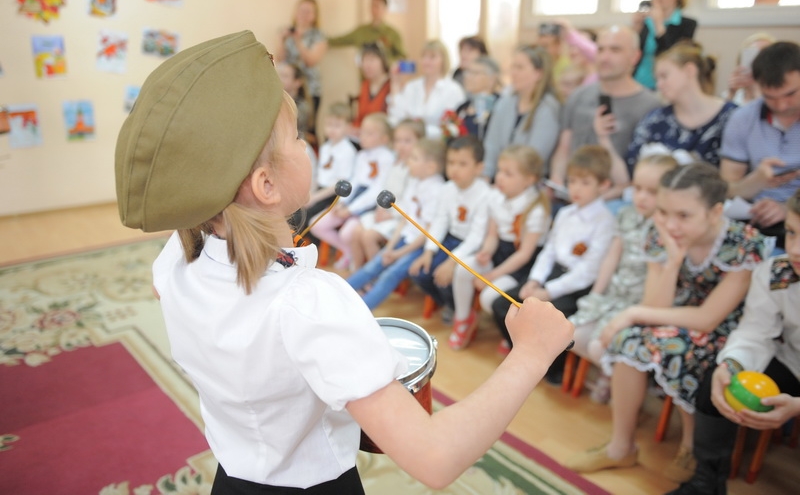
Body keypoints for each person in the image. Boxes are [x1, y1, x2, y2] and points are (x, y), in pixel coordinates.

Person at [116, 30, 575, 493]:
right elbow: (435, 458)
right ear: (266, 186)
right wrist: (531, 354)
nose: (306, 144)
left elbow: (190, 284)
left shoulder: (179, 255)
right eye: (296, 137)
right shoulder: (308, 302)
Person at [565, 163, 770, 484]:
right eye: (663, 212)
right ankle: (621, 446)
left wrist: (631, 314)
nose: (670, 224)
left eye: (684, 216)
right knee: (628, 340)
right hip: (670, 318)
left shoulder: (743, 243)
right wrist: (673, 262)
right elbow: (655, 306)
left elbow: (708, 319)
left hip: (728, 333)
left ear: (715, 212)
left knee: (680, 347)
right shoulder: (658, 234)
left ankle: (691, 447)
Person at [667, 189, 800, 495]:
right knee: (716, 380)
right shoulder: (775, 273)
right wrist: (730, 365)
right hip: (794, 363)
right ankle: (706, 483)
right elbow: (756, 332)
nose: (795, 249)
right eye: (791, 233)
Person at [492, 145, 615, 378]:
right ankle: (524, 354)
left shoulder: (604, 221)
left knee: (549, 321)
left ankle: (551, 369)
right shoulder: (565, 213)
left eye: (585, 182)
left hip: (576, 286)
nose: (575, 188)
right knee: (502, 306)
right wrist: (535, 280)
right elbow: (548, 252)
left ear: (604, 185)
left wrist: (548, 291)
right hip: (550, 276)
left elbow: (587, 272)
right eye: (572, 181)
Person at [570, 154, 679, 403]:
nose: (641, 197)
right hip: (614, 294)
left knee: (600, 345)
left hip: (639, 303)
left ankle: (614, 378)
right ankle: (608, 372)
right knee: (571, 333)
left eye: (652, 192)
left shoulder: (667, 230)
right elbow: (612, 256)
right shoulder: (627, 215)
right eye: (638, 188)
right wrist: (597, 293)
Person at [449, 145, 551, 351]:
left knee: (489, 297)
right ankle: (463, 318)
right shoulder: (496, 197)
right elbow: (493, 235)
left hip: (519, 266)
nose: (500, 178)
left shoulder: (536, 209)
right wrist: (486, 250)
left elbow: (524, 254)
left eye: (508, 174)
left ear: (529, 179)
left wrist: (492, 275)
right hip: (499, 254)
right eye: (499, 171)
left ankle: (511, 335)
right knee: (463, 269)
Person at [549, 25, 662, 200]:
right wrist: (557, 180)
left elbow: (647, 171)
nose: (604, 57)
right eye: (600, 50)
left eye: (615, 50)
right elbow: (564, 146)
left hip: (616, 202)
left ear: (635, 56)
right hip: (571, 197)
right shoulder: (579, 95)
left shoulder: (650, 106)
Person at [347, 138, 446, 309]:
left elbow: (426, 233)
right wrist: (390, 248)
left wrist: (397, 254)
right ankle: (338, 293)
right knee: (372, 266)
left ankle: (358, 311)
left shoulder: (438, 189)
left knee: (389, 275)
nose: (409, 161)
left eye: (415, 158)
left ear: (431, 167)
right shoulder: (414, 181)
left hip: (418, 246)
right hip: (405, 238)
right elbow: (404, 219)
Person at [719, 41, 800, 250]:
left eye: (790, 94)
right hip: (757, 221)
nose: (782, 106)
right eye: (770, 98)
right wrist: (757, 180)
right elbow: (728, 188)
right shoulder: (743, 118)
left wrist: (787, 209)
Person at [408, 135, 491, 322]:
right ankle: (445, 302)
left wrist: (452, 262)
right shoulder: (447, 188)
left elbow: (477, 237)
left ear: (479, 168)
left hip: (470, 247)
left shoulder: (485, 194)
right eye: (451, 162)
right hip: (450, 240)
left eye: (463, 164)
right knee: (420, 272)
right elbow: (440, 221)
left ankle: (457, 307)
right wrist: (429, 251)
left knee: (446, 276)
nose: (454, 169)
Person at [626, 41, 737, 173]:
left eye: (664, 76)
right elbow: (633, 165)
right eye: (657, 79)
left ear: (690, 70)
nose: (659, 85)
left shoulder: (731, 116)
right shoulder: (655, 121)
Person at [310, 112, 395, 269]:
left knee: (347, 233)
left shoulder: (387, 158)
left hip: (368, 205)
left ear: (384, 139)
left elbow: (376, 190)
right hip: (352, 201)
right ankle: (347, 251)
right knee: (316, 224)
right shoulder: (362, 155)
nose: (362, 136)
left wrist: (351, 209)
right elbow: (354, 182)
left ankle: (360, 267)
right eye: (362, 131)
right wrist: (341, 203)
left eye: (369, 133)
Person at [347, 118, 423, 270]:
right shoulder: (395, 162)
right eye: (398, 141)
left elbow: (409, 201)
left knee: (368, 236)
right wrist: (380, 209)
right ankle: (359, 270)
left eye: (407, 141)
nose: (401, 145)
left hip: (400, 217)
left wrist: (391, 214)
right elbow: (383, 188)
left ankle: (375, 273)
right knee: (355, 232)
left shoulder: (415, 169)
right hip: (384, 211)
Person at [482, 45, 562, 179]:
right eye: (513, 67)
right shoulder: (505, 103)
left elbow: (534, 157)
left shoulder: (548, 108)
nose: (513, 73)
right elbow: (492, 145)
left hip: (529, 181)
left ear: (538, 74)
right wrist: (486, 177)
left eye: (520, 68)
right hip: (501, 178)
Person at [632, 0, 697, 90]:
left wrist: (658, 24)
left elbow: (673, 57)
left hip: (666, 85)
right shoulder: (646, 22)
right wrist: (635, 29)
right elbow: (633, 54)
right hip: (638, 80)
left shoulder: (687, 24)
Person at [388, 39, 466, 138]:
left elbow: (453, 127)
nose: (426, 61)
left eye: (432, 57)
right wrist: (395, 83)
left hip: (437, 144)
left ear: (443, 60)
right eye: (423, 57)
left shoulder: (453, 90)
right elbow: (397, 115)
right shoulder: (412, 86)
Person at [303, 102, 358, 222]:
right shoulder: (325, 147)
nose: (332, 130)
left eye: (337, 126)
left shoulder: (348, 151)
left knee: (305, 216)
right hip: (321, 190)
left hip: (333, 195)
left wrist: (315, 197)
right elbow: (319, 174)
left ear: (348, 127)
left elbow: (340, 184)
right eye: (329, 125)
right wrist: (311, 193)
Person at [276, 0, 328, 118]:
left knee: (307, 124)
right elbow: (280, 59)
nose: (303, 14)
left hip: (310, 89)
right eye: (301, 10)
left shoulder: (318, 35)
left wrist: (298, 41)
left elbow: (311, 61)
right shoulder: (286, 32)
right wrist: (280, 39)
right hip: (289, 89)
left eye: (308, 11)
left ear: (315, 16)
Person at [328, 0, 406, 61]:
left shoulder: (392, 33)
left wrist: (387, 63)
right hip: (364, 77)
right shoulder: (361, 31)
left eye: (377, 6)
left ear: (385, 8)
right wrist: (322, 39)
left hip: (386, 76)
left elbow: (402, 57)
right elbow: (341, 40)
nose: (374, 9)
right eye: (372, 5)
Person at [448, 55, 501, 141]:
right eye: (467, 72)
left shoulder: (500, 105)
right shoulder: (462, 107)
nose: (468, 77)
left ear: (492, 79)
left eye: (475, 73)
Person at [724, 32, 775, 106]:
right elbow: (723, 116)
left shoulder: (780, 96)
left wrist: (757, 92)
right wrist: (731, 94)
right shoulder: (734, 94)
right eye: (753, 54)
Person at [353, 42, 391, 133]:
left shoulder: (391, 85)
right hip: (362, 134)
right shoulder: (365, 85)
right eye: (364, 60)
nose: (367, 65)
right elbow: (360, 117)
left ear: (383, 61)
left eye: (372, 60)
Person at [276, 60, 316, 145]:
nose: (280, 79)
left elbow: (289, 128)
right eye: (280, 75)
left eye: (285, 76)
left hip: (297, 145)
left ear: (297, 82)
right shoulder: (278, 100)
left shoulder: (302, 106)